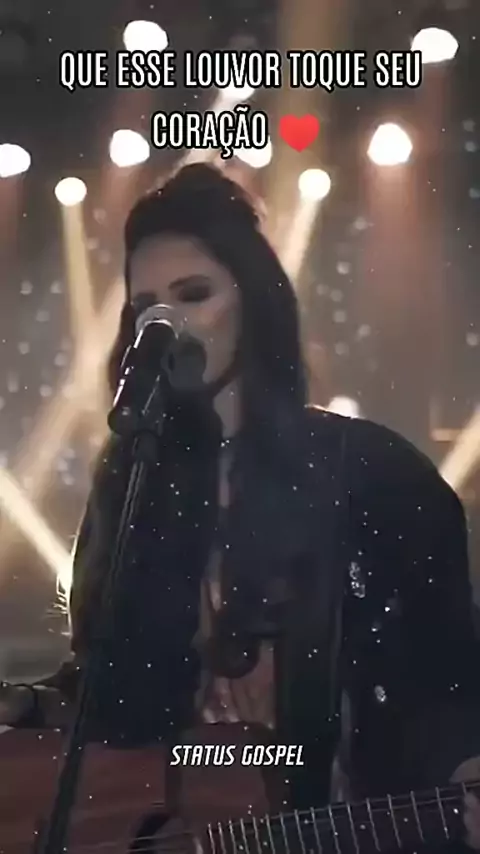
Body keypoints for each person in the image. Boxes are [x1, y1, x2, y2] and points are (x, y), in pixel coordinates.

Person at [1, 164, 480, 846]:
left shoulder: (374, 473)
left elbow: (443, 679)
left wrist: (464, 766)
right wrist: (24, 703)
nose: (167, 323)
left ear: (253, 302)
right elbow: (110, 697)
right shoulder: (135, 481)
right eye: (146, 307)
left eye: (194, 294)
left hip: (334, 826)